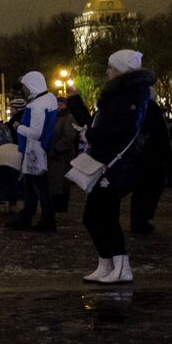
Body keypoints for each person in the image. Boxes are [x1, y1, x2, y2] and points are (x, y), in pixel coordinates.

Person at [67, 50, 154, 284]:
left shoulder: (132, 95)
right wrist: (78, 106)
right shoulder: (122, 94)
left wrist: (92, 133)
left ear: (122, 71)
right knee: (98, 216)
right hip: (109, 163)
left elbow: (123, 129)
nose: (107, 72)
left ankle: (121, 266)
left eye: (111, 68)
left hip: (116, 166)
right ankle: (107, 264)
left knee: (101, 216)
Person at [6, 71, 58, 232]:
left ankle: (42, 220)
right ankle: (34, 217)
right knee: (36, 187)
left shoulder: (37, 105)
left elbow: (36, 132)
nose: (24, 90)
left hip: (35, 150)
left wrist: (19, 127)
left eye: (25, 87)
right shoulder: (49, 99)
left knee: (37, 188)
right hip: (40, 149)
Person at [129, 95, 172, 235]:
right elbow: (162, 136)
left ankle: (138, 221)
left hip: (142, 158)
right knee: (149, 190)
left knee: (140, 192)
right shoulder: (151, 109)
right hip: (152, 159)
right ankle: (141, 221)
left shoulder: (138, 109)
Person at [47, 95, 78, 215]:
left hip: (62, 156)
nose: (59, 106)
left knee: (61, 182)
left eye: (61, 104)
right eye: (57, 103)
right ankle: (54, 205)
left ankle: (61, 206)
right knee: (54, 182)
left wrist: (57, 148)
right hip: (53, 155)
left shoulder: (69, 118)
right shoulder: (54, 117)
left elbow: (69, 136)